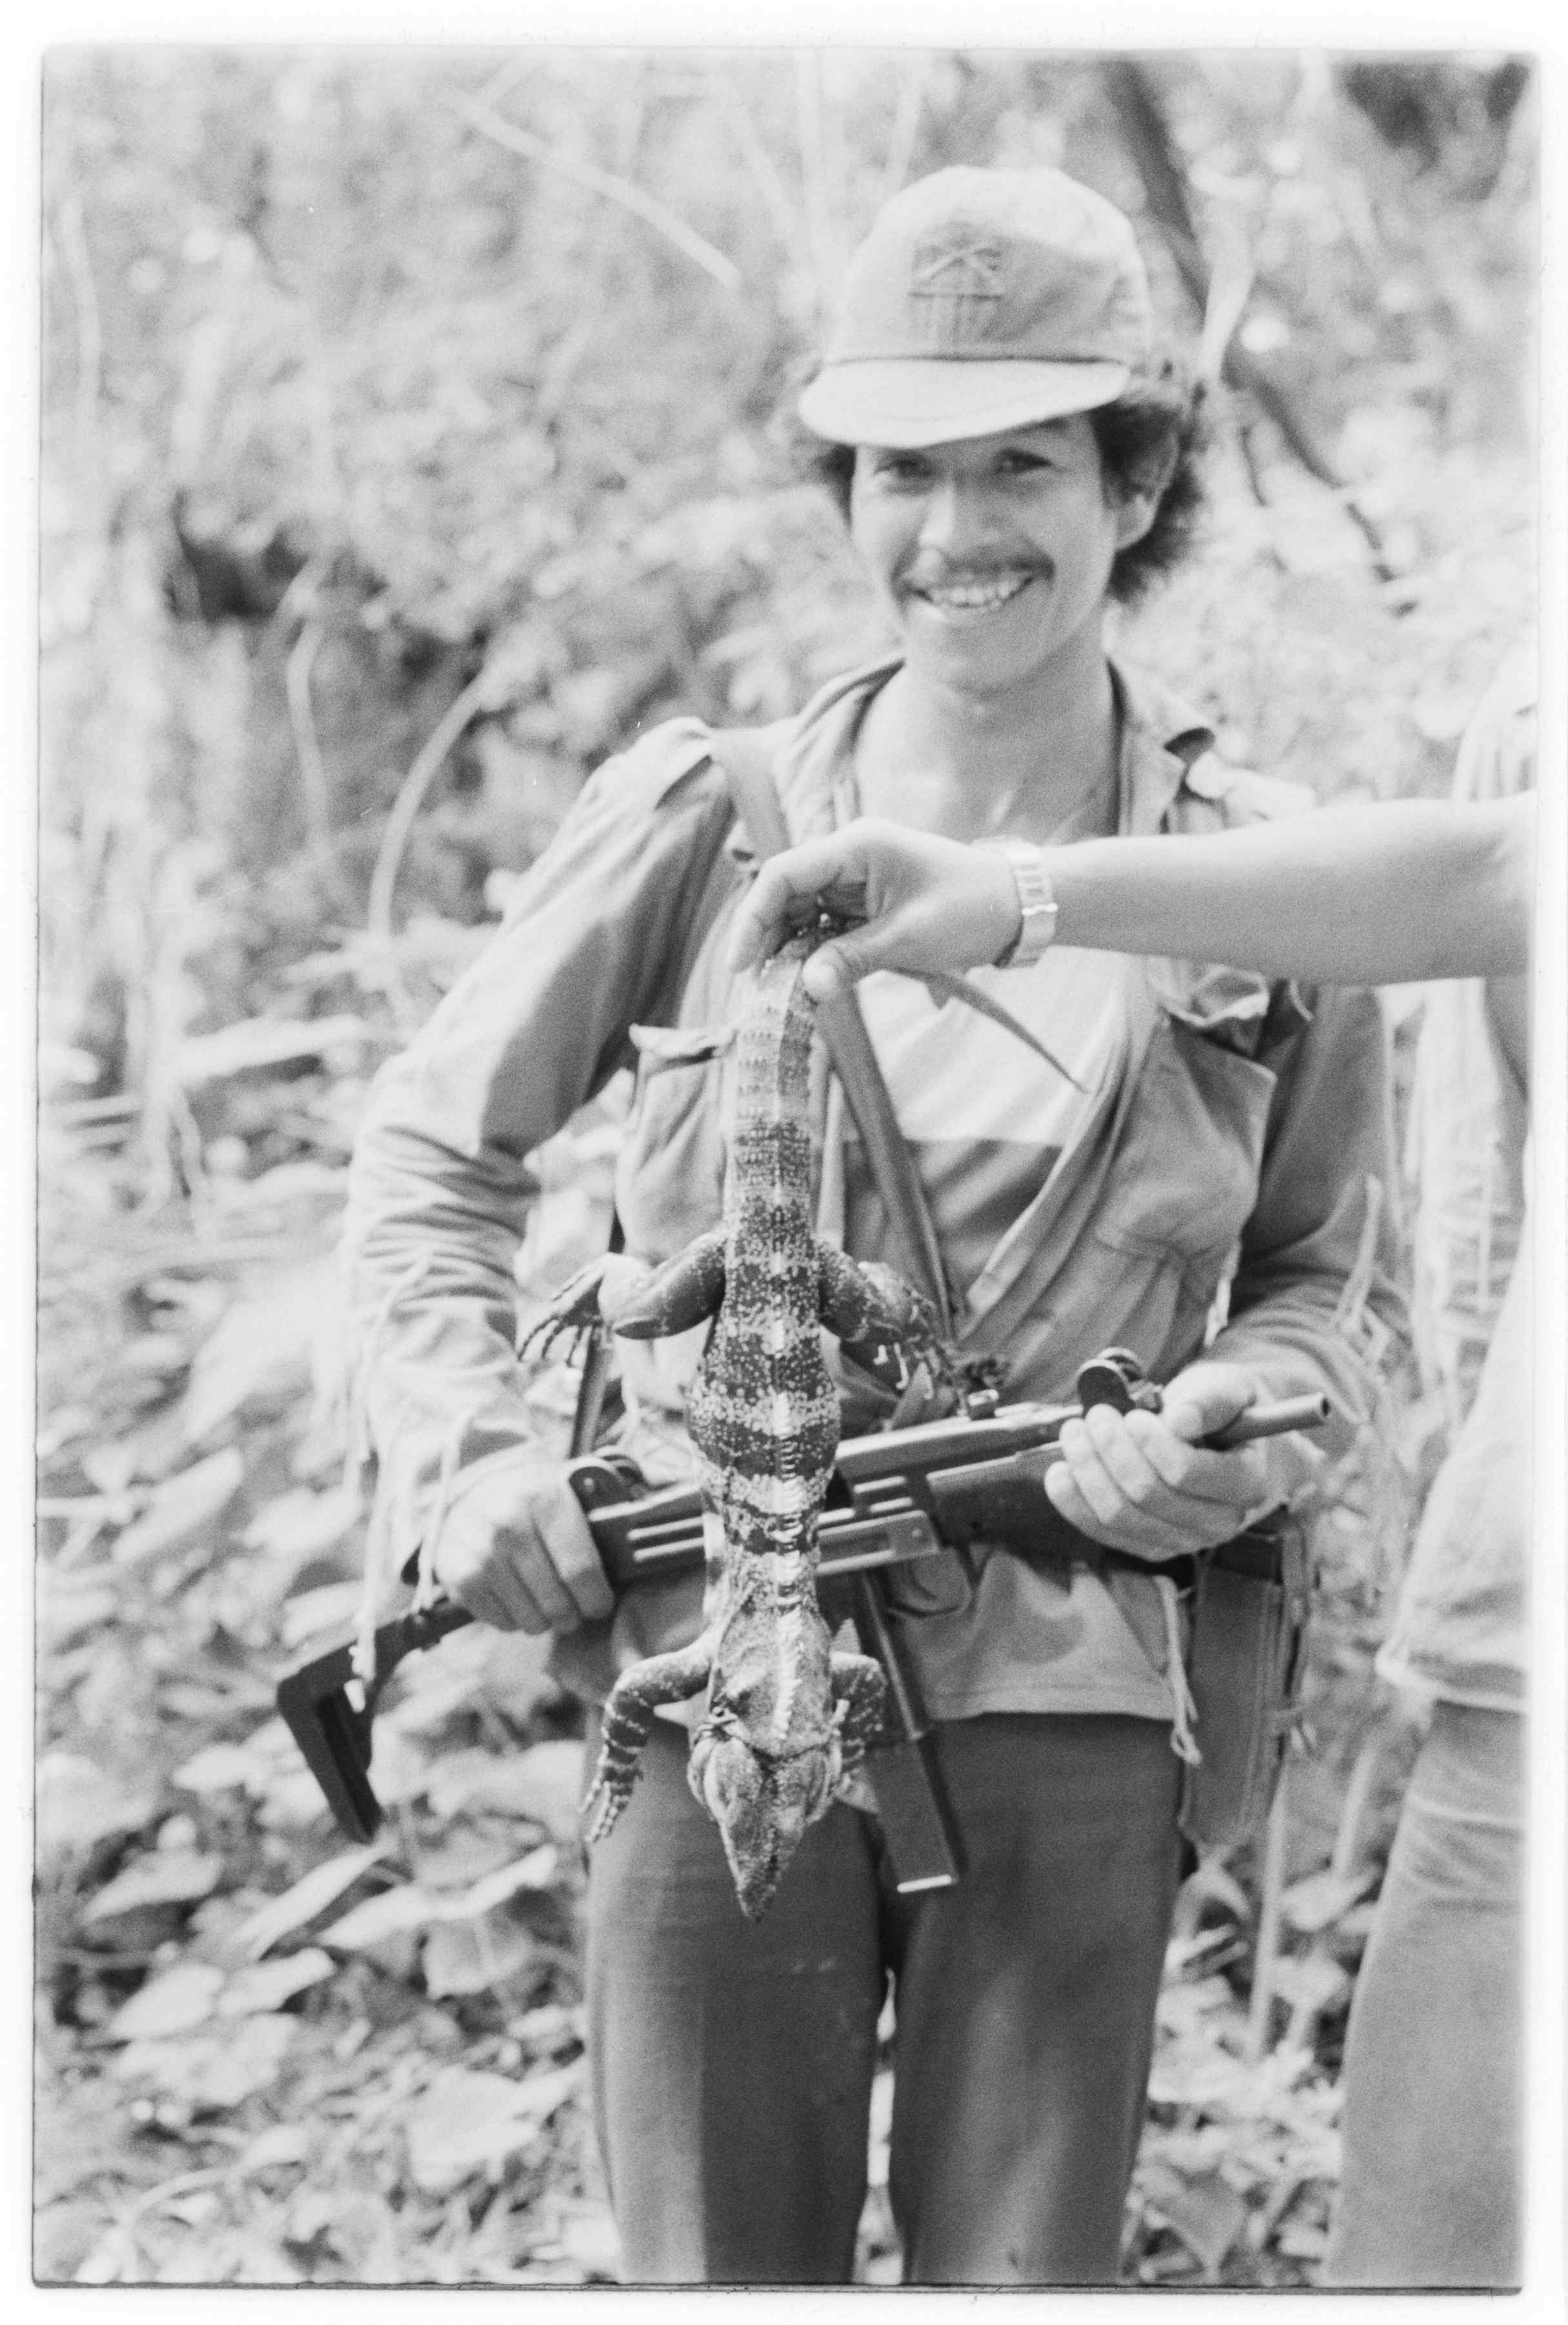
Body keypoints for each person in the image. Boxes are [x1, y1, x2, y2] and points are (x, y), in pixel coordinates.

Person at [343, 165, 1403, 2286]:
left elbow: (1317, 1291)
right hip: (715, 1675)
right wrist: (470, 1461)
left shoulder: (1267, 881)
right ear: (842, 489)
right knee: (716, 2271)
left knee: (1026, 2274)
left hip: (1080, 1689)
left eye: (1022, 462)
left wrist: (1241, 1433)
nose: (954, 527)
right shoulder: (712, 823)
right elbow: (433, 1162)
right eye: (902, 468)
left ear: (1134, 482)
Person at [732, 650, 1536, 2286]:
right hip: (1521, 1678)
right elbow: (1501, 879)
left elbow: (1350, 1270)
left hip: (1092, 1684)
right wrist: (1016, 896)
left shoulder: (1266, 839)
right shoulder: (716, 815)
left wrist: (1282, 1416)